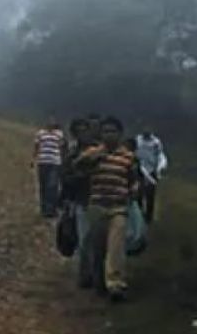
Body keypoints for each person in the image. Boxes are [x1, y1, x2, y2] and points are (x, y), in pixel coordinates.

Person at [78, 116, 141, 301]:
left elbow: (134, 179)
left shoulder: (128, 157)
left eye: (113, 131)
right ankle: (98, 281)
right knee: (97, 247)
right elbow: (77, 167)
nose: (109, 135)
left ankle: (116, 284)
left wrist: (134, 190)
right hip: (97, 206)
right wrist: (92, 159)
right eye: (106, 131)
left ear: (120, 134)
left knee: (116, 246)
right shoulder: (93, 153)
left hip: (118, 207)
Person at [59, 114, 101, 288]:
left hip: (101, 199)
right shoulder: (72, 153)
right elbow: (65, 176)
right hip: (80, 201)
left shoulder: (101, 150)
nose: (84, 133)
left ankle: (98, 275)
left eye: (86, 129)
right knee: (84, 240)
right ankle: (86, 276)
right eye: (80, 131)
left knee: (99, 240)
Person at [31, 118, 66, 218]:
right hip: (43, 161)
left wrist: (63, 161)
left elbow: (62, 148)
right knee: (43, 186)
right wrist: (33, 159)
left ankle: (51, 209)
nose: (51, 122)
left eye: (53, 121)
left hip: (55, 162)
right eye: (49, 121)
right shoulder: (40, 133)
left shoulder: (59, 134)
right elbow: (37, 147)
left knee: (52, 186)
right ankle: (44, 209)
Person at [134, 126, 168, 224]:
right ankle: (139, 215)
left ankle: (149, 217)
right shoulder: (137, 140)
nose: (147, 130)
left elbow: (159, 155)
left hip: (151, 170)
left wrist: (159, 169)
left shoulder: (156, 142)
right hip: (139, 169)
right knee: (138, 193)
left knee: (150, 195)